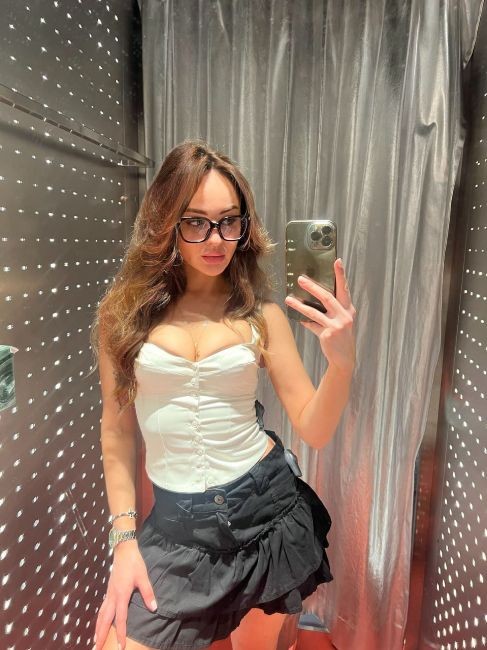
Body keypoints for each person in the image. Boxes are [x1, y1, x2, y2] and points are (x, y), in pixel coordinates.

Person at [90, 140, 356, 650]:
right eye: (196, 222)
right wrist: (124, 542)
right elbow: (117, 433)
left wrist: (342, 364)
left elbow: (315, 427)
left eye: (229, 221)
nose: (216, 239)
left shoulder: (262, 316)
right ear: (165, 222)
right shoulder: (121, 318)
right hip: (176, 531)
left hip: (267, 512)